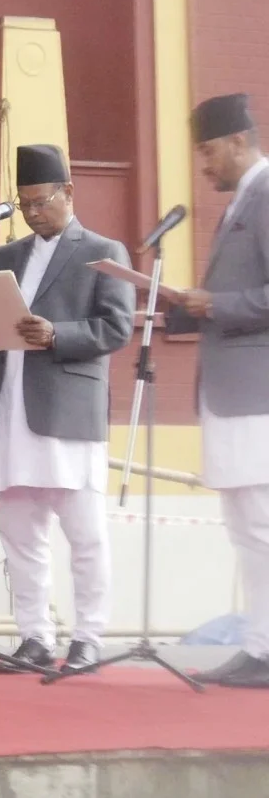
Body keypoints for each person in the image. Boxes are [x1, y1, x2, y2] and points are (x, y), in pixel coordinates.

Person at [0, 145, 134, 675]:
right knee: (20, 534)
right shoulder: (6, 257)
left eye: (41, 201)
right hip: (11, 409)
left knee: (84, 534)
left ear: (68, 192)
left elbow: (116, 327)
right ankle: (34, 637)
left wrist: (56, 334)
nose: (33, 213)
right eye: (24, 204)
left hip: (68, 412)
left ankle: (88, 637)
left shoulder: (103, 251)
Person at [169, 93, 269, 688]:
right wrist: (185, 307)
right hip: (234, 393)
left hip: (256, 393)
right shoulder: (243, 201)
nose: (203, 164)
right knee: (246, 526)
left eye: (208, 151)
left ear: (239, 140)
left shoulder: (266, 193)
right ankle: (259, 644)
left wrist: (216, 304)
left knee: (259, 523)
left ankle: (265, 649)